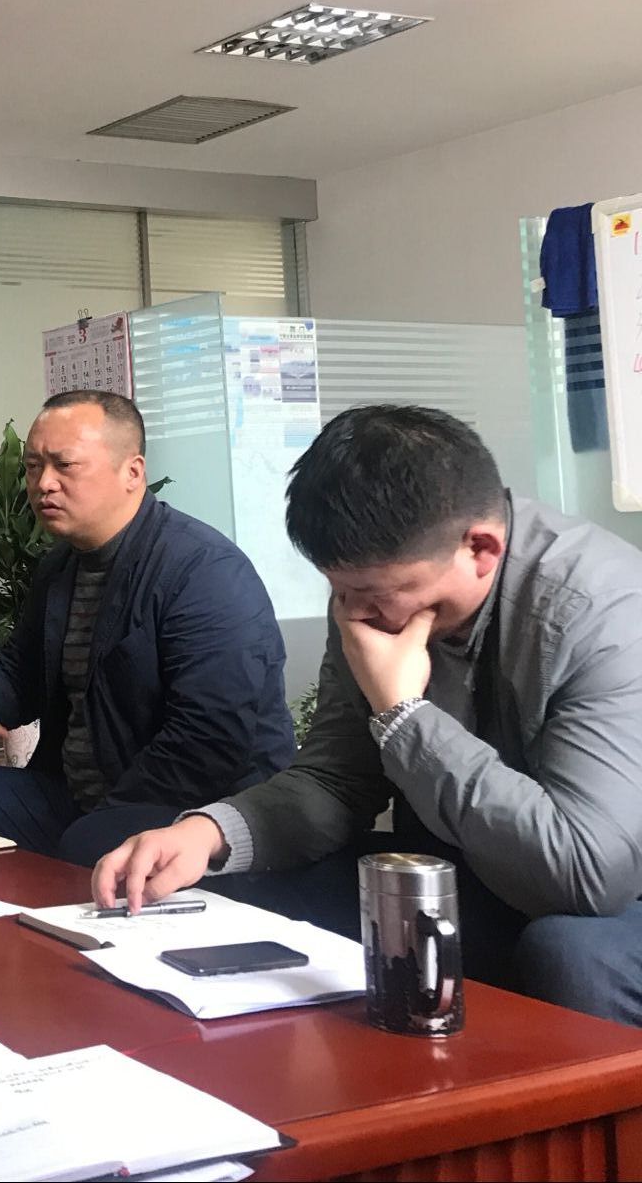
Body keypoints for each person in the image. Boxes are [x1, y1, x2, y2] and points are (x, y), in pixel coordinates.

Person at [93, 406, 642, 1028]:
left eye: (379, 595)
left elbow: (589, 875)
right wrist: (209, 835)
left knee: (571, 953)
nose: (355, 614)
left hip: (607, 899)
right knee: (244, 887)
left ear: (481, 549)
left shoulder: (600, 613)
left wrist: (404, 716)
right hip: (479, 872)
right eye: (339, 590)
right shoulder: (368, 599)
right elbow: (337, 779)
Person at [0, 390, 292, 866]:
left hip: (194, 810)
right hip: (80, 799)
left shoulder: (203, 570)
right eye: (32, 467)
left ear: (132, 472)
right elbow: (21, 676)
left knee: (91, 841)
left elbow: (209, 738)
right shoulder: (60, 567)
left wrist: (110, 814)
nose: (43, 484)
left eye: (65, 465)